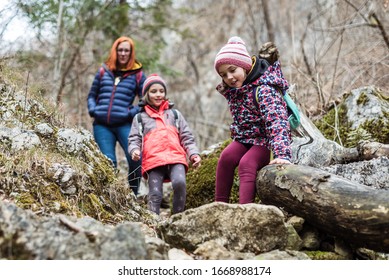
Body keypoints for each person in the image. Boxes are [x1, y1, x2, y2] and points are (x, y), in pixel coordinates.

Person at [213, 36, 292, 204]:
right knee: (226, 157)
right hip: (246, 138)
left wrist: (282, 154)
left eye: (233, 70)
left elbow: (277, 122)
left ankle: (246, 211)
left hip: (266, 141)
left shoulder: (264, 90)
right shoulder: (236, 91)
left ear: (245, 66)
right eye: (223, 75)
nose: (229, 77)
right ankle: (218, 207)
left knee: (246, 163)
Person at [128, 74, 201, 215]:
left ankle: (177, 217)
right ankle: (153, 224)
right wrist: (134, 150)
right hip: (153, 161)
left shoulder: (175, 115)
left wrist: (193, 153)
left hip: (176, 158)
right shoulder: (140, 118)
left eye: (161, 91)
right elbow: (134, 138)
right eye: (153, 91)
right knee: (155, 194)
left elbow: (187, 137)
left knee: (180, 183)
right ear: (146, 94)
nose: (158, 94)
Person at [87, 36, 146, 195]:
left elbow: (145, 101)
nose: (123, 53)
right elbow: (91, 95)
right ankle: (109, 196)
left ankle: (133, 194)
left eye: (126, 50)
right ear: (115, 51)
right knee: (109, 161)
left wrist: (130, 113)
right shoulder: (103, 71)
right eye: (120, 50)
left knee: (136, 158)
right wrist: (94, 110)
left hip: (124, 124)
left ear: (131, 52)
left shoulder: (138, 75)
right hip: (102, 125)